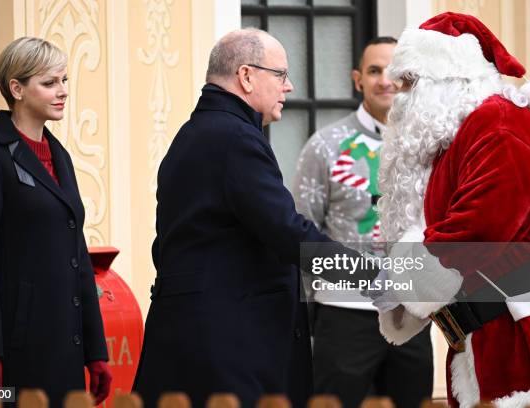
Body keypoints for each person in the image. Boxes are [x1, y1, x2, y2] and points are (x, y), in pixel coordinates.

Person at [131, 28, 369, 408]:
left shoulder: (193, 134)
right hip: (230, 351)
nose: (289, 86)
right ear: (245, 76)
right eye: (280, 75)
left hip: (190, 339)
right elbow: (289, 232)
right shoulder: (235, 138)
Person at [376, 12, 530, 407]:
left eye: (411, 83)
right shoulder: (460, 134)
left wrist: (399, 279)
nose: (399, 94)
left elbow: (477, 231)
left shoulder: (500, 126)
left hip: (524, 332)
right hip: (481, 333)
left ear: (447, 80)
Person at [0, 37, 111, 406]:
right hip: (11, 354)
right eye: (50, 82)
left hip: (63, 350)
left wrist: (95, 351)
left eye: (65, 81)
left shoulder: (60, 156)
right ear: (16, 88)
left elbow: (77, 256)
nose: (63, 92)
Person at [292, 37, 433, 408]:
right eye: (374, 71)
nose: (385, 80)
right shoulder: (324, 146)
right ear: (358, 80)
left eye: (395, 71)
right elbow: (303, 233)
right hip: (343, 313)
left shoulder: (429, 147)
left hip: (411, 314)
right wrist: (309, 313)